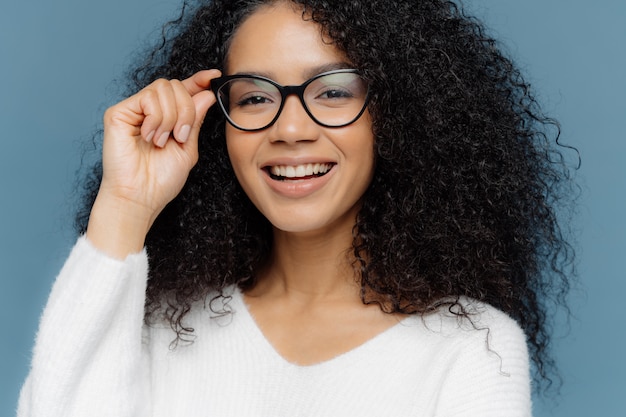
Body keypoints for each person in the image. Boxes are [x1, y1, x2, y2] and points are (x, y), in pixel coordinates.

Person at [18, 0, 577, 415]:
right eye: (256, 97)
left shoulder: (472, 348)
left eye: (332, 91)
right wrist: (125, 204)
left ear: (401, 116)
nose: (288, 129)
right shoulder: (163, 323)